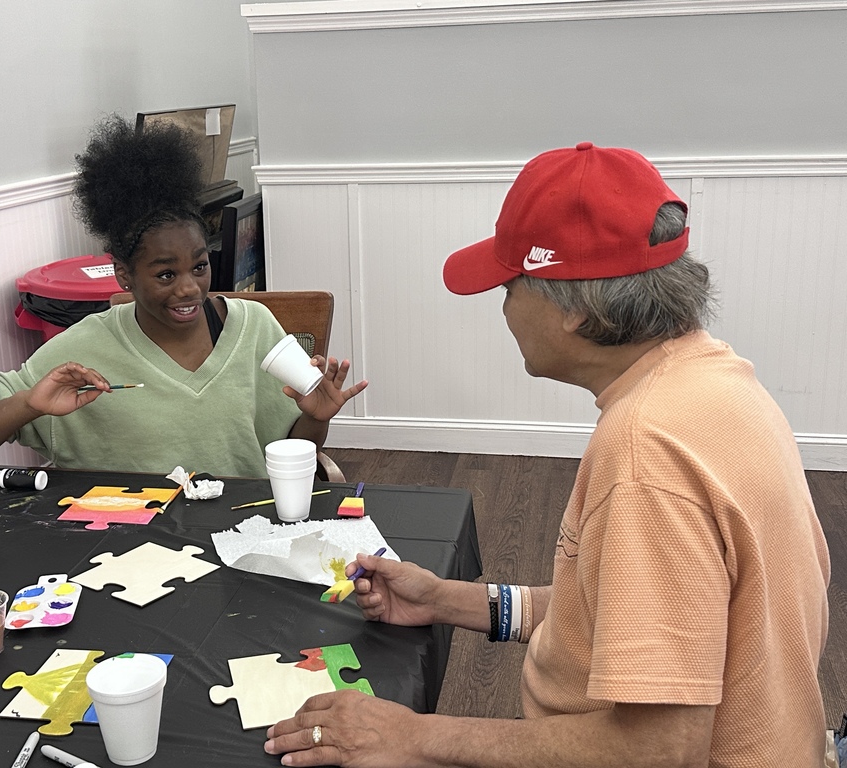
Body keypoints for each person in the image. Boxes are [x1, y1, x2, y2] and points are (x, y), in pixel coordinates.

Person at [264, 143, 830, 767]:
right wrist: (444, 600)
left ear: (577, 308)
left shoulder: (647, 451)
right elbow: (606, 614)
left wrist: (412, 736)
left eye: (510, 285)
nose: (503, 307)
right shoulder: (714, 379)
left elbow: (658, 750)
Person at [0, 115, 366, 476]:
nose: (189, 288)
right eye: (166, 274)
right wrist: (28, 404)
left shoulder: (255, 329)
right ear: (123, 275)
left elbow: (295, 454)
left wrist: (314, 419)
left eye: (199, 266)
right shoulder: (85, 346)